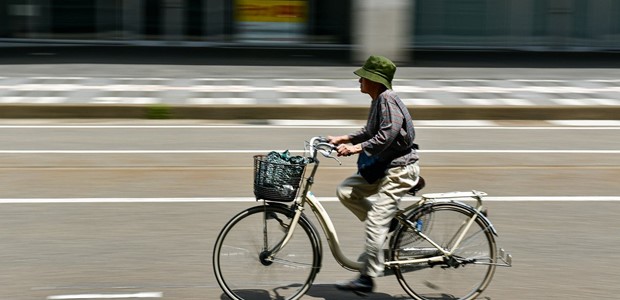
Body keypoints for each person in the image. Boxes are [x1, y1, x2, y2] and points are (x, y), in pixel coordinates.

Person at [328, 55, 420, 294]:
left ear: (375, 80)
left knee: (375, 221)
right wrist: (344, 138)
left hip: (399, 169)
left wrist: (355, 148)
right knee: (346, 190)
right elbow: (370, 131)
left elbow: (387, 134)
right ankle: (388, 223)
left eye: (364, 77)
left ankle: (367, 277)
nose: (359, 80)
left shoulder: (388, 99)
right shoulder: (378, 100)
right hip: (385, 167)